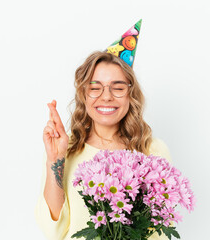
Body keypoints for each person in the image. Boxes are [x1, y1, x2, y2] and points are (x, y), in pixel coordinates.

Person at [34, 20, 173, 240]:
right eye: (95, 88)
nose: (106, 96)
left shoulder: (153, 151)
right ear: (84, 95)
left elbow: (160, 232)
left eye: (117, 87)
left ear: (131, 94)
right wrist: (55, 159)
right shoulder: (63, 150)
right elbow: (54, 231)